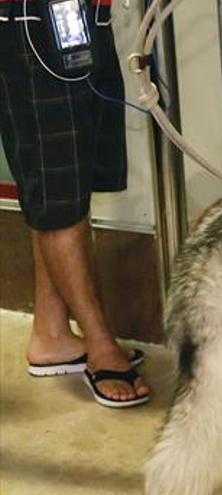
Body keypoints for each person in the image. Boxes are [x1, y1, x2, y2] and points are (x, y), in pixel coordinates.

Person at [0, 0, 150, 407]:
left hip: (78, 19)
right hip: (33, 25)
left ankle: (53, 335)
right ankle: (101, 343)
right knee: (58, 192)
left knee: (64, 179)